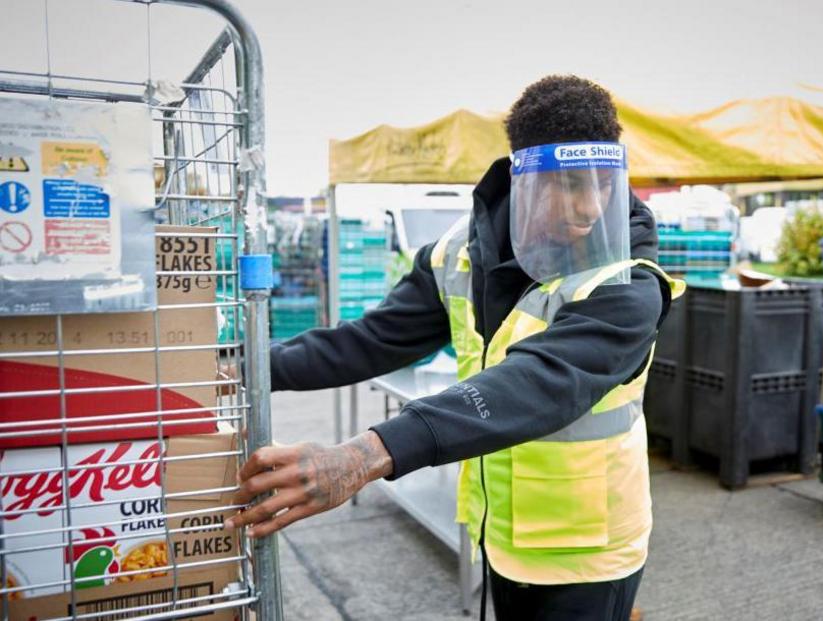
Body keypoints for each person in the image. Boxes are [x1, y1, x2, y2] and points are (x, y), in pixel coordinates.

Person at [225, 75, 683, 621]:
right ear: (524, 177)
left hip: (589, 549)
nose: (590, 207)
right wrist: (243, 368)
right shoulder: (460, 254)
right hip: (502, 532)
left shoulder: (628, 280)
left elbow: (539, 383)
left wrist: (363, 455)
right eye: (568, 184)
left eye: (603, 184)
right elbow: (373, 339)